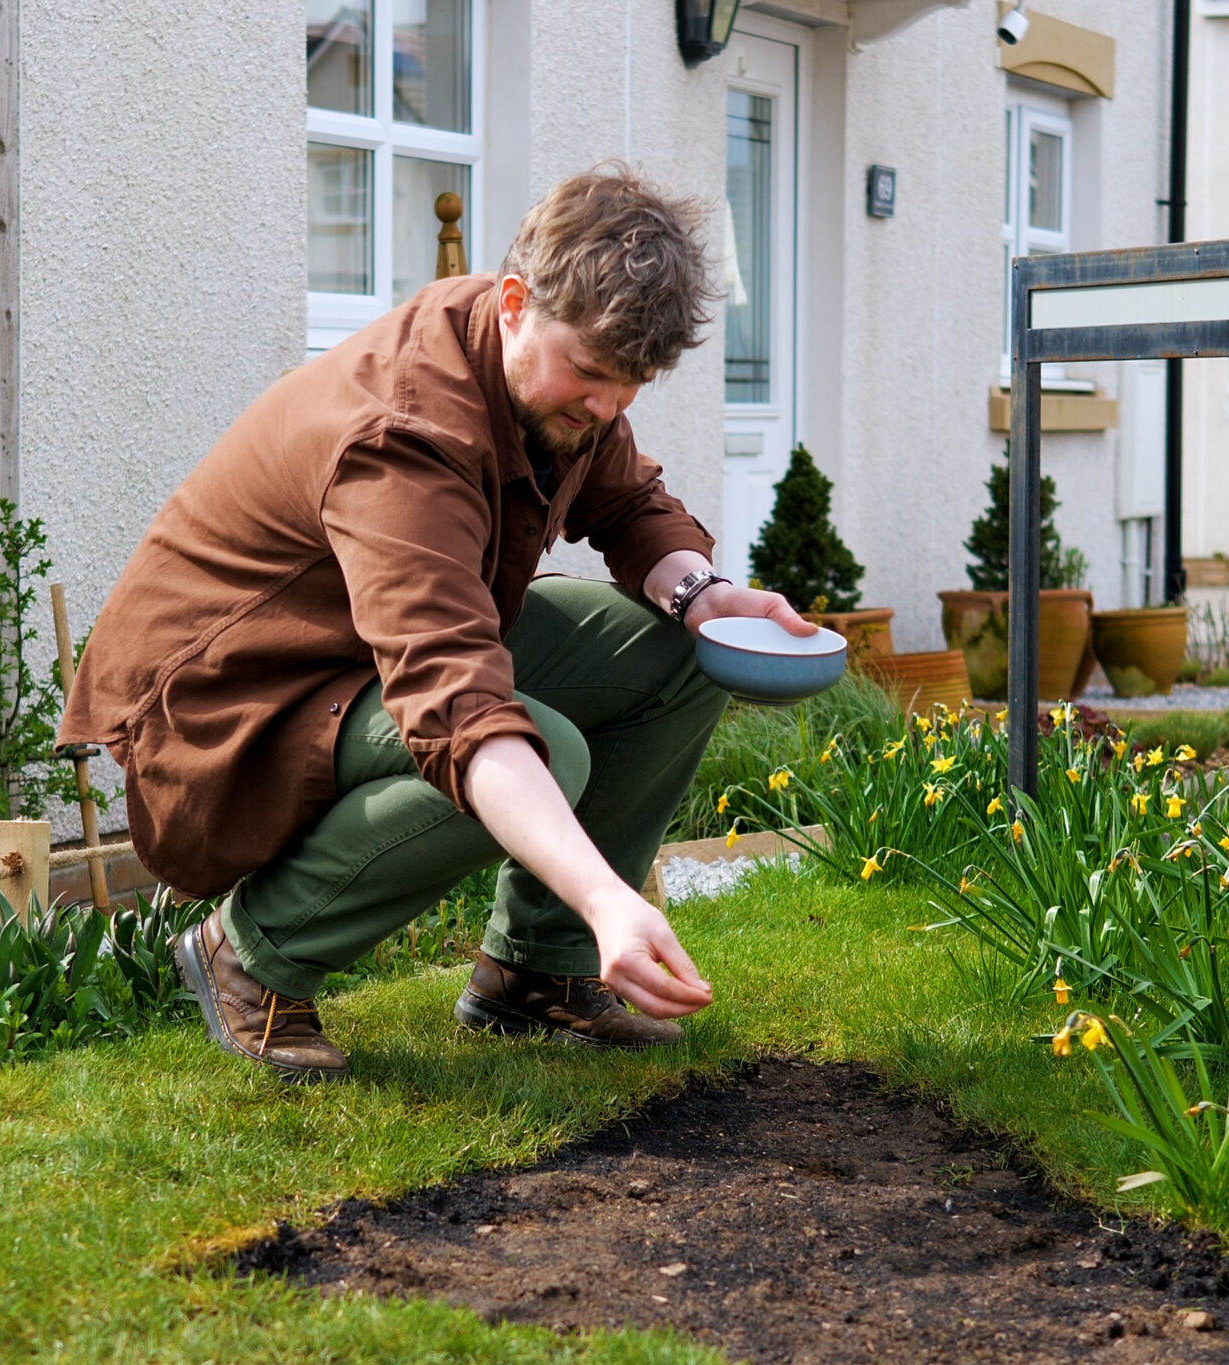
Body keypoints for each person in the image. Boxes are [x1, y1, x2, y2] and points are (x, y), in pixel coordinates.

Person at [56, 167, 813, 1081]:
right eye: (593, 373)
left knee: (683, 653)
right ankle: (250, 954)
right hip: (233, 708)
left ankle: (537, 976)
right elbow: (454, 705)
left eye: (633, 384)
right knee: (545, 752)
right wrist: (606, 897)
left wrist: (706, 598)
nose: (608, 407)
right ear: (513, 302)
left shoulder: (537, 371)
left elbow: (628, 501)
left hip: (365, 659)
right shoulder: (402, 436)